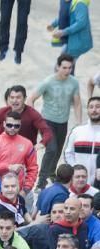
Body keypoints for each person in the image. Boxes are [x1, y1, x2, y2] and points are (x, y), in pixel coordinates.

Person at [30, 54, 82, 190]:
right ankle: (41, 182)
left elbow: (77, 103)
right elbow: (31, 99)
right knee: (51, 149)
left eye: (70, 68)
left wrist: (79, 122)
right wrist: (35, 120)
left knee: (58, 151)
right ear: (58, 67)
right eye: (64, 67)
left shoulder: (74, 82)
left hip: (63, 122)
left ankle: (51, 172)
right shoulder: (48, 82)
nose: (67, 70)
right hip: (47, 121)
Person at [62, 96, 100, 184]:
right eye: (91, 107)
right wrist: (76, 169)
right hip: (80, 183)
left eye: (98, 107)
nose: (94, 110)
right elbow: (68, 153)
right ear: (87, 110)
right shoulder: (77, 131)